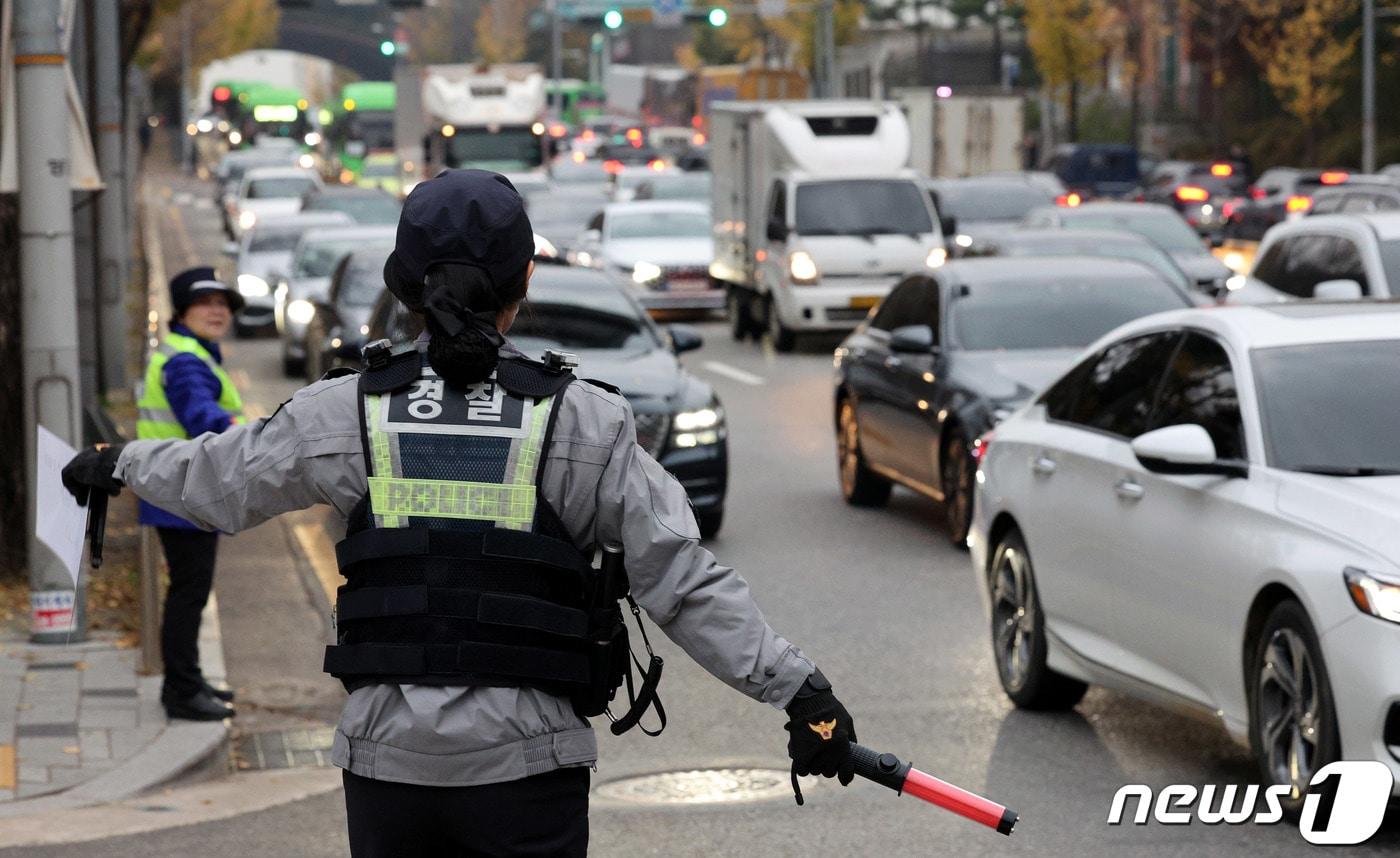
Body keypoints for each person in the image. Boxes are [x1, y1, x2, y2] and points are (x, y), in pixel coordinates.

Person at [63, 169, 859, 857]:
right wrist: (801, 694)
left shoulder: (350, 410)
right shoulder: (582, 422)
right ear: (524, 282)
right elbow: (679, 581)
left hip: (387, 774)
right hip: (527, 775)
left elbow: (221, 482)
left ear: (403, 286)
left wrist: (119, 463)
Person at [137, 267, 245, 722]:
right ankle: (180, 692)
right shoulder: (185, 361)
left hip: (181, 489)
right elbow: (202, 416)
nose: (217, 311)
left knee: (190, 592)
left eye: (223, 304)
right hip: (182, 492)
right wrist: (247, 432)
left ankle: (190, 679)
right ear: (182, 311)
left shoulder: (194, 352)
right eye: (206, 303)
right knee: (187, 594)